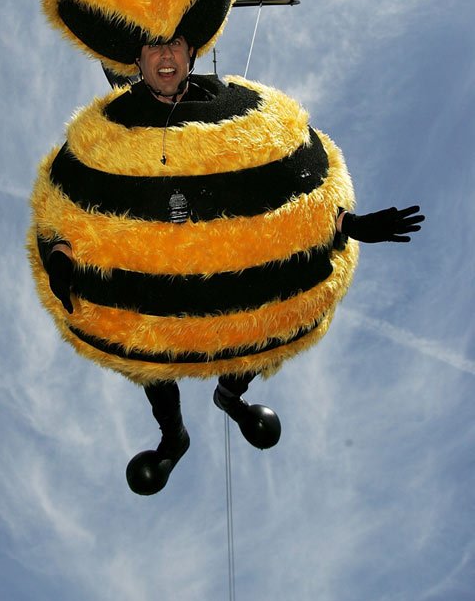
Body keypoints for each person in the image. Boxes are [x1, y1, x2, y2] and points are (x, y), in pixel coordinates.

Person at [43, 33, 424, 495]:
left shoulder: (240, 113)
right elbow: (67, 210)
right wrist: (60, 258)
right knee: (146, 345)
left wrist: (348, 222)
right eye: (154, 47)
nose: (166, 56)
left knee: (265, 320)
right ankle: (173, 435)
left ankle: (230, 395)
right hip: (157, 291)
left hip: (234, 280)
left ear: (191, 53)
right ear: (137, 60)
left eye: (175, 44)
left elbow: (291, 185)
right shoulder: (108, 134)